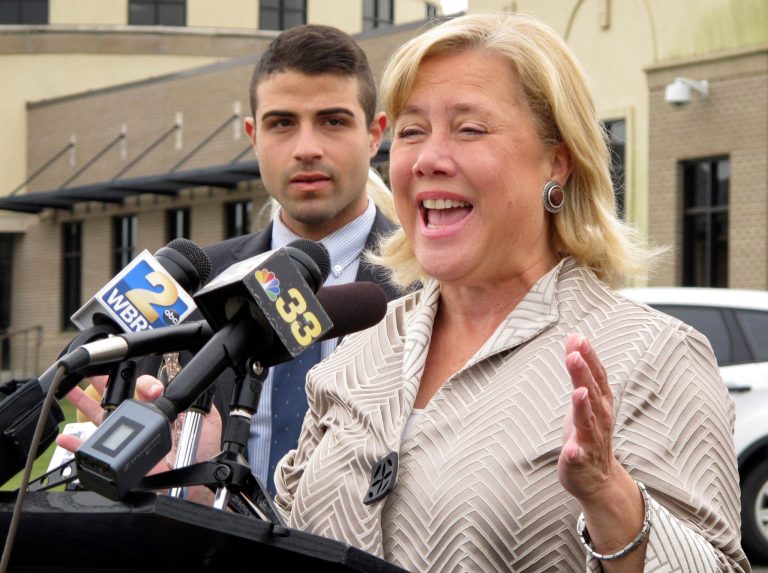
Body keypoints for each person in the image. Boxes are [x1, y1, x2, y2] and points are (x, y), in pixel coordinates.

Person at [264, 13, 750, 572]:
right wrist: (197, 484)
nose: (427, 159)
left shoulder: (651, 356)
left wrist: (609, 493)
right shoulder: (362, 350)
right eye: (413, 131)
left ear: (557, 163)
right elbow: (288, 534)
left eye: (469, 129)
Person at [61, 24, 403, 497]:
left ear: (375, 135)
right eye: (282, 123)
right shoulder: (184, 284)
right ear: (253, 135)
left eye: (333, 121)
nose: (306, 148)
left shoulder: (432, 284)